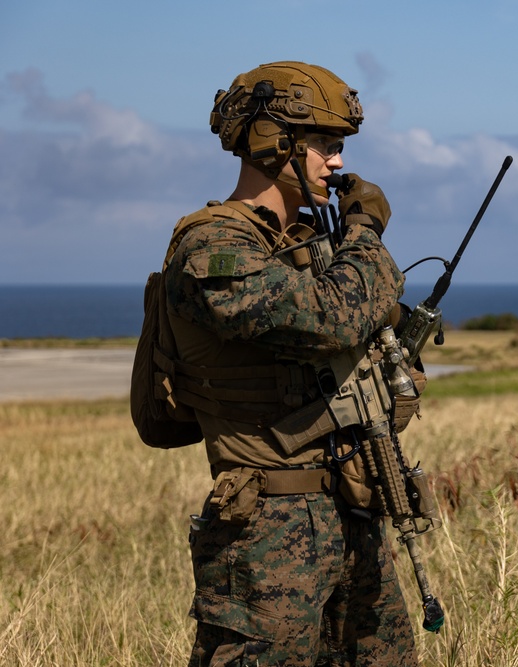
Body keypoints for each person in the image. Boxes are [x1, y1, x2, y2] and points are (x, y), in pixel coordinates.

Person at [161, 61, 419, 666]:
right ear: (271, 143)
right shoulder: (212, 248)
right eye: (325, 145)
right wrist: (366, 234)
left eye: (339, 147)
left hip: (352, 504)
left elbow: (368, 326)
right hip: (267, 526)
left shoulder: (309, 245)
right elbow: (337, 315)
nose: (338, 164)